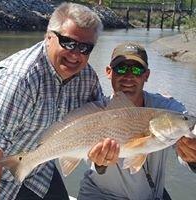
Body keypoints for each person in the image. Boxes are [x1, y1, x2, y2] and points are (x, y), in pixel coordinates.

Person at [0, 2, 118, 200]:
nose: (75, 54)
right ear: (49, 37)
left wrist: (102, 159)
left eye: (85, 48)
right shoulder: (21, 80)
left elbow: (101, 124)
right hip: (1, 175)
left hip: (39, 169)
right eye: (68, 42)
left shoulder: (88, 79)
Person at [78, 42, 196, 200]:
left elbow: (189, 128)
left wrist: (193, 158)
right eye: (121, 68)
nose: (128, 76)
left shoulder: (167, 108)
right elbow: (93, 163)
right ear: (108, 72)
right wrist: (101, 163)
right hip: (100, 195)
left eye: (136, 69)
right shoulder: (95, 112)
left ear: (146, 75)